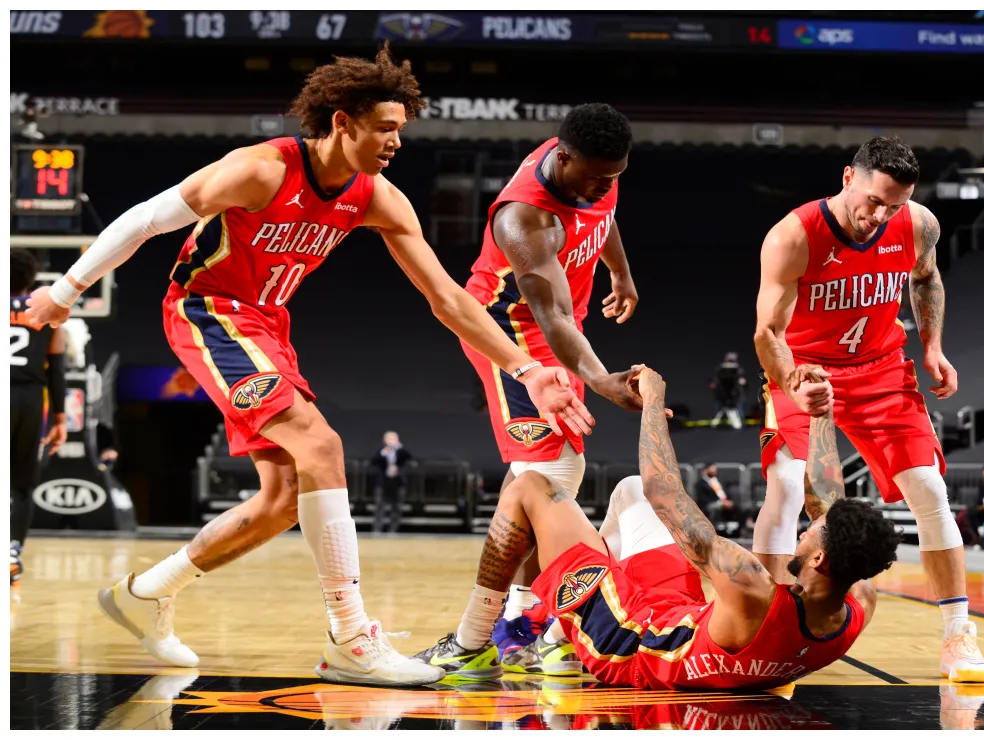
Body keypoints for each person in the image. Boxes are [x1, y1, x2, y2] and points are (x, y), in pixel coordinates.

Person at [24, 43, 593, 687]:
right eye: (385, 128)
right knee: (322, 446)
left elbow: (449, 298)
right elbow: (144, 220)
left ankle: (147, 592)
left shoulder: (377, 197)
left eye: (400, 130)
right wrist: (64, 291)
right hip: (209, 311)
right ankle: (351, 638)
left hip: (267, 325)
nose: (396, 143)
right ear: (342, 122)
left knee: (283, 499)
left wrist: (525, 370)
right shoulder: (259, 171)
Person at [415, 367, 901, 690]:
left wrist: (652, 401)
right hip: (681, 618)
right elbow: (828, 500)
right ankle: (558, 638)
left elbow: (665, 494)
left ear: (818, 558)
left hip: (626, 638)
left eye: (811, 532)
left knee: (530, 487)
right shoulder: (857, 598)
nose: (806, 528)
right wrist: (821, 414)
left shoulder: (752, 587)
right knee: (628, 491)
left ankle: (471, 645)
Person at [752, 136, 984, 682]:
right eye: (874, 202)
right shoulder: (794, 235)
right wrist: (791, 383)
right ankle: (765, 618)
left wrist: (932, 347)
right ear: (848, 178)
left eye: (894, 205)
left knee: (930, 490)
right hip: (806, 370)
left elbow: (927, 279)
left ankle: (958, 636)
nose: (880, 216)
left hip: (881, 369)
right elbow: (767, 332)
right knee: (787, 486)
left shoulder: (918, 224)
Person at [453, 102, 642, 674]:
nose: (605, 186)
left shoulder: (595, 171)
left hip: (564, 331)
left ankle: (514, 626)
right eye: (596, 177)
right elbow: (551, 315)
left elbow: (605, 215)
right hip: (509, 332)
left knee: (536, 478)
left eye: (614, 176)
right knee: (552, 471)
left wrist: (619, 271)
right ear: (563, 159)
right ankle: (497, 632)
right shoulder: (522, 219)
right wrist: (600, 380)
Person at [10, 249, 69, 585]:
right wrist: (60, 419)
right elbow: (57, 369)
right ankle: (12, 554)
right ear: (31, 279)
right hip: (29, 400)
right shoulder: (46, 311)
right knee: (21, 484)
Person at [368, 431, 411, 533]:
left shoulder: (401, 452)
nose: (391, 441)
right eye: (389, 439)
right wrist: (386, 451)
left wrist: (398, 447)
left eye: (393, 439)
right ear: (384, 440)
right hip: (383, 483)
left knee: (397, 507)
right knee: (379, 505)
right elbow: (374, 461)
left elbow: (408, 456)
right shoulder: (381, 452)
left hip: (398, 483)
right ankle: (377, 528)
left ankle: (393, 529)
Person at [694, 464, 744, 537]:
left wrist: (728, 502)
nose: (714, 471)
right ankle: (713, 532)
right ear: (706, 471)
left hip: (724, 502)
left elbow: (725, 494)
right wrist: (720, 503)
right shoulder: (700, 484)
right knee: (714, 508)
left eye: (715, 469)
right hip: (710, 504)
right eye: (712, 469)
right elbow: (703, 498)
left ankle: (737, 533)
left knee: (739, 508)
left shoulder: (718, 481)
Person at [709, 352, 747, 429]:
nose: (730, 362)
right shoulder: (720, 369)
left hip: (735, 396)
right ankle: (715, 427)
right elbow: (716, 380)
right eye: (729, 360)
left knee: (738, 412)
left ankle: (740, 427)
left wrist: (742, 381)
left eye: (732, 360)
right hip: (722, 395)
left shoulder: (738, 369)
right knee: (718, 410)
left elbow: (744, 382)